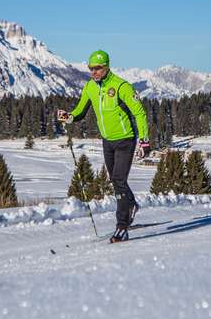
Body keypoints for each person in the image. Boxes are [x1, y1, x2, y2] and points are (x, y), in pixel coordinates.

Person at [58, 50, 151, 243]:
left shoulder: (121, 86)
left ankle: (122, 227)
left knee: (118, 179)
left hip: (126, 139)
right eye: (91, 68)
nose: (94, 72)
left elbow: (139, 113)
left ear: (107, 66)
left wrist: (144, 139)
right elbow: (80, 111)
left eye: (98, 68)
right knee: (116, 181)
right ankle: (131, 204)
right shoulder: (90, 87)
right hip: (107, 141)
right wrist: (69, 116)